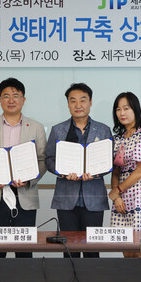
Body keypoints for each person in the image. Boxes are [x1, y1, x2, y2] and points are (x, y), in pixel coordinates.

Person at [0, 77, 46, 258]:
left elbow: (42, 160)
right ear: (0, 100)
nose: (11, 100)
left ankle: (25, 278)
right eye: (6, 96)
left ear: (23, 99)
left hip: (25, 194)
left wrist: (29, 180)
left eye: (15, 95)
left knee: (24, 251)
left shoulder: (36, 127)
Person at [46, 83, 112, 258]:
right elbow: (49, 159)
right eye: (73, 100)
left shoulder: (103, 130)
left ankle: (92, 277)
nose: (78, 105)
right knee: (69, 250)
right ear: (68, 104)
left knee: (92, 250)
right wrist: (62, 172)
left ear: (90, 102)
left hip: (94, 198)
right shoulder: (58, 130)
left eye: (82, 100)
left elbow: (109, 160)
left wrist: (96, 172)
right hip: (66, 198)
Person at [108, 92, 141, 257]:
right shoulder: (117, 139)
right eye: (118, 109)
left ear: (135, 110)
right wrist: (117, 197)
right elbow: (115, 171)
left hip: (140, 194)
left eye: (126, 108)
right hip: (122, 196)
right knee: (125, 246)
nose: (122, 113)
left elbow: (140, 171)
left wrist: (117, 191)